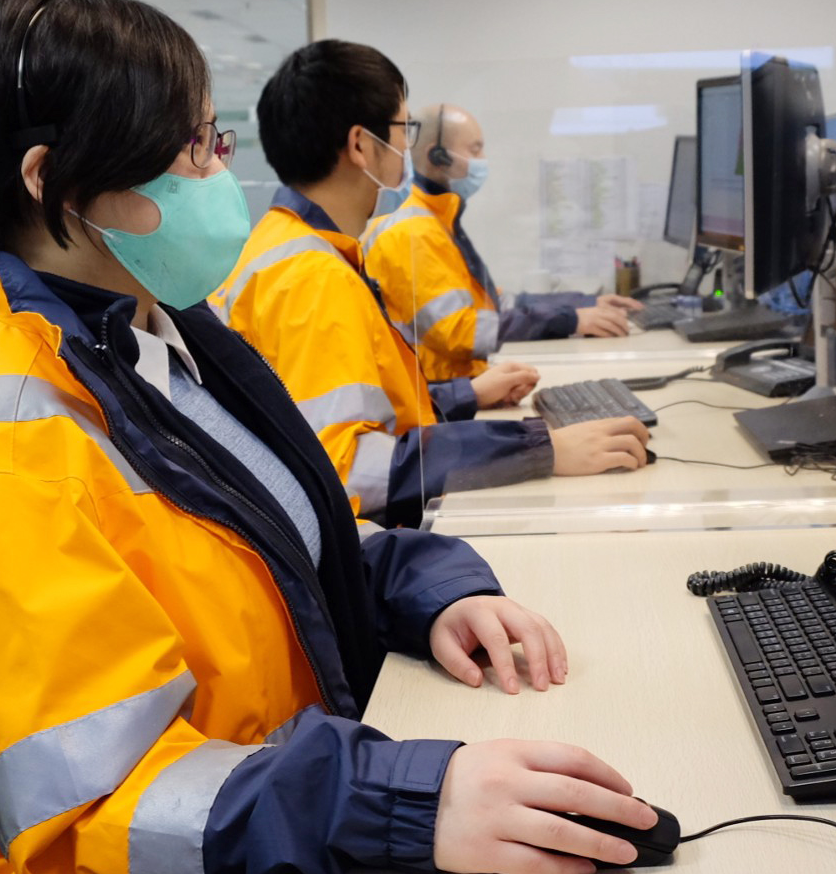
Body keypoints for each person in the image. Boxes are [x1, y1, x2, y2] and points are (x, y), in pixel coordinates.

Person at [0, 0, 657, 874]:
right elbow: (108, 823)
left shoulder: (145, 339)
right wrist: (402, 802)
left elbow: (281, 545)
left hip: (254, 819)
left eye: (212, 142)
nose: (216, 175)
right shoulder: (1, 462)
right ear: (52, 178)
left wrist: (428, 586)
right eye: (190, 149)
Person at [212, 42, 650, 528]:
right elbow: (349, 469)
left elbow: (352, 418)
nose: (407, 149)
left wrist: (466, 397)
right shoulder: (314, 279)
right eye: (404, 130)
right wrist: (539, 448)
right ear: (361, 145)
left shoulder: (288, 246)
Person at [364, 103, 644, 386]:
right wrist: (571, 321)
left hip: (456, 389)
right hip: (436, 403)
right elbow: (463, 331)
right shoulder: (411, 231)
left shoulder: (435, 217)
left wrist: (584, 304)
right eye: (475, 150)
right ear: (438, 158)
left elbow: (496, 303)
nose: (483, 160)